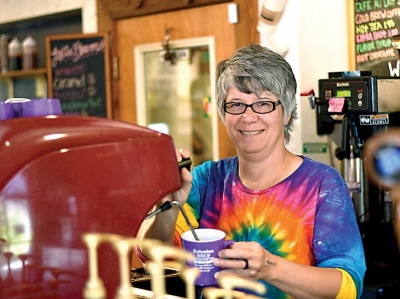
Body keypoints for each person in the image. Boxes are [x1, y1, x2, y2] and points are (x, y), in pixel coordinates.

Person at [137, 44, 366, 299]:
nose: (248, 117)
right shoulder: (206, 179)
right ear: (224, 114)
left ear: (287, 112)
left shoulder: (322, 184)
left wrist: (270, 267)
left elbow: (347, 288)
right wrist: (168, 205)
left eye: (263, 104)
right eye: (235, 104)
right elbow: (151, 253)